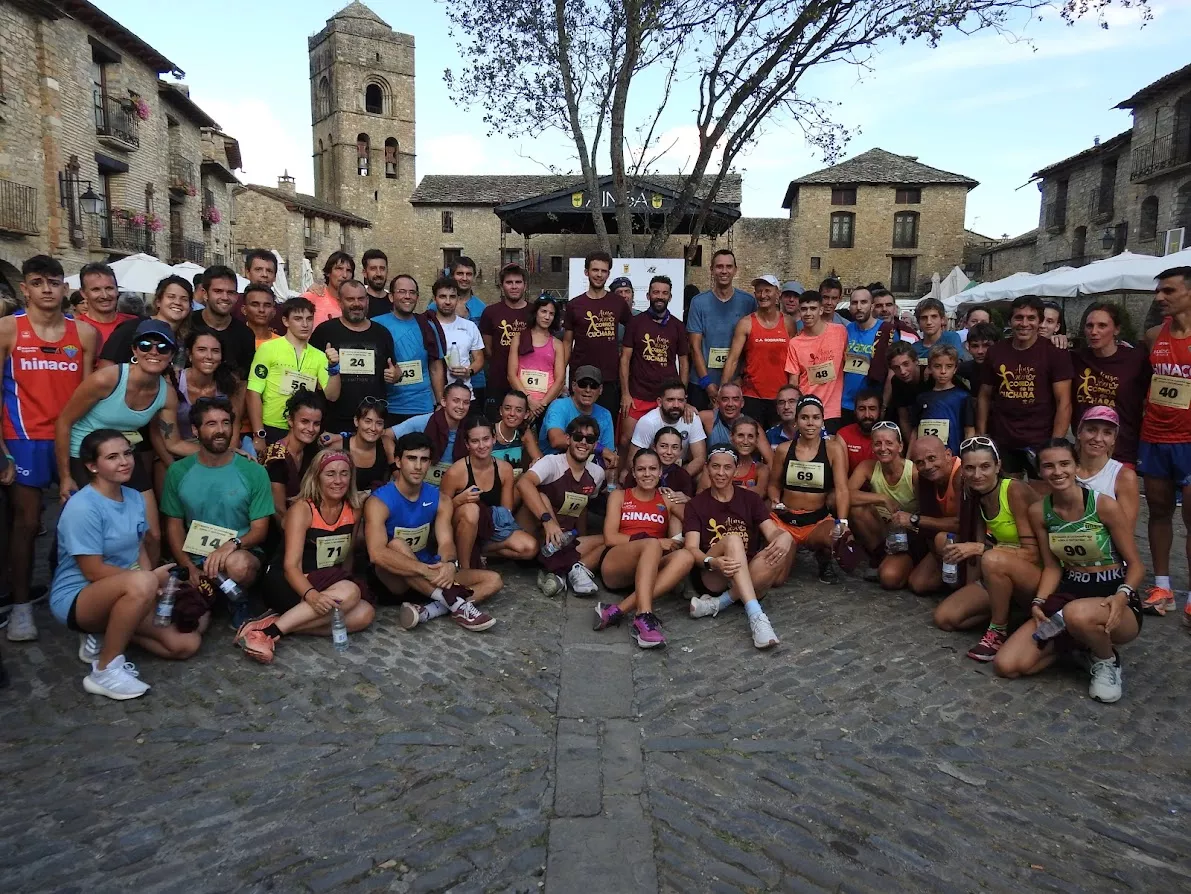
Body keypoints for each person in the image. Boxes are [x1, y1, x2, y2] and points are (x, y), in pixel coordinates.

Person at [993, 439, 1144, 704]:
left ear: (1076, 466)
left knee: (1077, 613)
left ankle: (1107, 660)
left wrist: (1123, 595)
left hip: (1114, 599)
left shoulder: (1103, 505)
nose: (1057, 471)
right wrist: (1038, 601)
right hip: (1069, 597)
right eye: (1048, 466)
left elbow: (1136, 565)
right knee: (1008, 665)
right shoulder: (1039, 512)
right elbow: (1052, 567)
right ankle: (1078, 647)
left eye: (1064, 464)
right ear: (1040, 471)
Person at [50, 431, 197, 699]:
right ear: (92, 466)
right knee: (145, 581)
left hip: (124, 587)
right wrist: (147, 580)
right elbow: (92, 570)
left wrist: (149, 582)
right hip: (78, 596)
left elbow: (138, 548)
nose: (124, 461)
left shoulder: (133, 497)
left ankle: (110, 630)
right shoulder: (82, 507)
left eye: (127, 453)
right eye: (112, 457)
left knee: (186, 644)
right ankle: (105, 671)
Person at [1, 256, 98, 641]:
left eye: (53, 282)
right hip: (23, 438)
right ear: (24, 288)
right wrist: (2, 450)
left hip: (72, 437)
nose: (46, 289)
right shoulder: (8, 329)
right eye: (38, 282)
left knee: (80, 518)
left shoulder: (84, 334)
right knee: (26, 522)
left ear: (64, 288)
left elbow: (89, 395)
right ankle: (21, 605)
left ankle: (80, 596)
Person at [58, 320, 197, 563]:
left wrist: (226, 452)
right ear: (134, 350)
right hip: (86, 456)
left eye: (163, 348)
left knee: (152, 533)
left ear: (171, 355)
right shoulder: (107, 379)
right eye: (145, 345)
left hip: (124, 455)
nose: (153, 352)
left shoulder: (166, 394)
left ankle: (150, 581)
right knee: (98, 533)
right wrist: (65, 476)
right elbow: (64, 423)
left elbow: (173, 443)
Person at [237, 449, 374, 662]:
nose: (338, 481)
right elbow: (291, 567)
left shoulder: (353, 509)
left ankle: (281, 622)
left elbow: (347, 555)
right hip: (288, 581)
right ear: (317, 477)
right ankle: (267, 634)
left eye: (344, 473)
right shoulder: (302, 509)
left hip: (327, 581)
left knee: (364, 614)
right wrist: (312, 595)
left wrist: (344, 580)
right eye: (330, 474)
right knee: (350, 592)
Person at [366, 432, 501, 631]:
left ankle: (429, 610)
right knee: (396, 545)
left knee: (493, 580)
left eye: (424, 460)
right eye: (411, 458)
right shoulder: (379, 501)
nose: (418, 466)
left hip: (433, 578)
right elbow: (377, 554)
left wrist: (448, 564)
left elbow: (446, 542)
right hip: (397, 579)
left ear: (430, 463)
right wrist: (423, 570)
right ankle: (457, 605)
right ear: (398, 461)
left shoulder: (439, 498)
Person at [161, 397, 271, 632]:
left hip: (239, 553)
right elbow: (174, 525)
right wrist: (188, 566)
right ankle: (212, 597)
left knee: (238, 565)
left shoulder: (254, 471)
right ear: (195, 430)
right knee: (186, 625)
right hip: (196, 558)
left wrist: (232, 544)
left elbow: (260, 530)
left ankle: (238, 600)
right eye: (211, 424)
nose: (220, 430)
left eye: (225, 423)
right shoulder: (178, 471)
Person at [933, 437, 1042, 662]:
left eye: (985, 467)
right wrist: (970, 588)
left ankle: (998, 630)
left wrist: (980, 548)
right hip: (1000, 571)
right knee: (945, 618)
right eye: (970, 468)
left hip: (1037, 576)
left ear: (998, 466)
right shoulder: (975, 493)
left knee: (991, 558)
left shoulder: (1013, 490)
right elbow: (979, 547)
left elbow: (1033, 553)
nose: (977, 474)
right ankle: (1012, 612)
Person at [685, 446, 792, 649]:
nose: (721, 473)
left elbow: (772, 532)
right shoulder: (695, 504)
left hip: (748, 571)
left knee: (780, 548)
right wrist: (713, 562)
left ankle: (720, 603)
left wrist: (785, 537)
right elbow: (691, 549)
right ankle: (756, 616)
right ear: (707, 468)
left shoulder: (750, 499)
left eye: (727, 467)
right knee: (733, 539)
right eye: (715, 466)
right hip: (714, 573)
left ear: (736, 470)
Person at [592, 448, 694, 648]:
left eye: (653, 469)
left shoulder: (667, 499)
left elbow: (696, 521)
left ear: (660, 472)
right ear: (633, 472)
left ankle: (618, 610)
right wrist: (654, 541)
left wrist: (689, 499)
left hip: (649, 567)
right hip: (617, 563)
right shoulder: (620, 496)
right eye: (641, 469)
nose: (647, 474)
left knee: (686, 557)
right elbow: (610, 538)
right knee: (652, 543)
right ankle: (643, 614)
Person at [1138, 267, 1191, 618]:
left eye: (1168, 291)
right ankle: (1162, 587)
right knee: (1158, 512)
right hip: (1155, 437)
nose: (1159, 297)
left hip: (1189, 440)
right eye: (1158, 291)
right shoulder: (1153, 335)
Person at [976, 295, 1073, 478]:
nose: (1024, 323)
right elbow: (984, 395)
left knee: (1041, 491)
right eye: (1019, 317)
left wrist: (1056, 443)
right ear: (1010, 321)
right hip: (1003, 438)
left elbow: (1064, 402)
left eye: (1031, 318)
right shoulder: (996, 352)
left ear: (1040, 321)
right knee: (1009, 490)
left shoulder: (1055, 353)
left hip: (1041, 439)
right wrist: (982, 434)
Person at [517, 415, 608, 597]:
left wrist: (582, 536)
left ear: (595, 445)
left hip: (565, 540)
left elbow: (582, 508)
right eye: (578, 437)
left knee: (609, 541)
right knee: (542, 496)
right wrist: (547, 521)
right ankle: (566, 569)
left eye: (589, 439)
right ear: (568, 439)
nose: (583, 443)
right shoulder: (551, 462)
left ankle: (568, 571)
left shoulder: (597, 473)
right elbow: (523, 483)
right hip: (537, 535)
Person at [767, 396, 851, 582]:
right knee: (777, 580)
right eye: (804, 417)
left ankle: (824, 559)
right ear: (796, 421)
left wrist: (843, 521)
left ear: (823, 421)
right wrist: (775, 500)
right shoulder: (783, 449)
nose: (810, 423)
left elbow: (842, 489)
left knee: (839, 538)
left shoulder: (833, 449)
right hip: (785, 521)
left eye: (816, 417)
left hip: (817, 521)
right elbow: (774, 484)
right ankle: (787, 552)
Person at [440, 416, 538, 569]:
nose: (481, 446)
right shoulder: (455, 473)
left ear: (494, 439)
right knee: (471, 510)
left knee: (530, 547)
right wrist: (459, 500)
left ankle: (477, 550)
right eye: (475, 441)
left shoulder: (505, 469)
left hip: (491, 528)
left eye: (486, 439)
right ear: (467, 444)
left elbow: (505, 512)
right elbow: (440, 513)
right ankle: (465, 568)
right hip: (459, 527)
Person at [247, 296, 341, 450]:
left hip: (304, 429)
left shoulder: (320, 356)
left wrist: (334, 367)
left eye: (309, 319)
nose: (305, 324)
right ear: (285, 321)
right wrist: (259, 434)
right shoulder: (268, 349)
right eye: (298, 319)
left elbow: (332, 396)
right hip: (272, 426)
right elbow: (253, 392)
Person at [311, 278, 397, 434]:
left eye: (361, 299)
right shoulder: (324, 331)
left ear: (367, 301)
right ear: (340, 302)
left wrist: (395, 375)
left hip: (372, 422)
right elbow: (311, 375)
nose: (356, 304)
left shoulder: (382, 333)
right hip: (333, 421)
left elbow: (394, 369)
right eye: (350, 299)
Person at [1071, 302, 1149, 467]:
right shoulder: (1075, 358)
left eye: (1102, 326)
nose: (1094, 332)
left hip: (1122, 448)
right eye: (1089, 326)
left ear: (1116, 329)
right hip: (1085, 449)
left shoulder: (1136, 359)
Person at [879, 435, 960, 592]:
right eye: (920, 462)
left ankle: (963, 583)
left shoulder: (960, 476)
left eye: (932, 458)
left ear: (948, 455)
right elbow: (928, 519)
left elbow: (961, 524)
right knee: (918, 584)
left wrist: (914, 519)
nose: (927, 466)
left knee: (942, 539)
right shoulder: (924, 478)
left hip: (969, 538)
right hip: (935, 538)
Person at [620, 276, 689, 450]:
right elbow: (625, 359)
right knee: (626, 440)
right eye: (656, 292)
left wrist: (682, 397)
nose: (660, 296)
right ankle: (622, 469)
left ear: (670, 297)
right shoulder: (635, 322)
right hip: (638, 395)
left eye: (664, 293)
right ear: (648, 295)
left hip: (667, 397)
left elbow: (684, 363)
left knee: (663, 443)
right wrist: (625, 394)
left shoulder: (678, 326)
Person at [686, 248, 756, 411]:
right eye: (719, 267)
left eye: (728, 266)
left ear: (735, 270)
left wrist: (740, 378)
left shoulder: (748, 302)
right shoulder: (698, 302)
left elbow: (752, 347)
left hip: (737, 383)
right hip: (701, 382)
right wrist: (707, 384)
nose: (724, 271)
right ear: (711, 270)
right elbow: (695, 347)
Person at [720, 274, 793, 430]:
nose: (763, 295)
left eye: (767, 291)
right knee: (751, 439)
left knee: (778, 440)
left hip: (780, 397)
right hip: (752, 395)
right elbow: (733, 359)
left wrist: (794, 392)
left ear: (777, 294)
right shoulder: (746, 323)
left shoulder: (788, 323)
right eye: (759, 291)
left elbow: (795, 360)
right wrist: (723, 390)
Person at [563, 251, 630, 416]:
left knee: (605, 424)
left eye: (603, 271)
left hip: (609, 379)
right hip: (580, 378)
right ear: (586, 272)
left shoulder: (618, 303)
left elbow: (633, 332)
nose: (599, 275)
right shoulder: (574, 305)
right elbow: (567, 343)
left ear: (608, 274)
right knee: (578, 426)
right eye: (595, 270)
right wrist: (560, 378)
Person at [371, 274, 445, 425]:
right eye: (402, 292)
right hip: (387, 407)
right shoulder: (375, 325)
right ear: (391, 297)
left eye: (412, 292)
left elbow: (436, 367)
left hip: (422, 406)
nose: (407, 296)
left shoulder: (427, 326)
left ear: (417, 297)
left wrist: (440, 403)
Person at [848, 421, 918, 577]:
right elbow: (845, 495)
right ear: (872, 447)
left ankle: (902, 564)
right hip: (884, 529)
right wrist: (882, 498)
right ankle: (880, 557)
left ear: (900, 446)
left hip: (910, 532)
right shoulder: (868, 466)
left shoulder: (913, 473)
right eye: (878, 443)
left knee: (889, 578)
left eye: (889, 443)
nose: (883, 448)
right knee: (856, 509)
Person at [388, 380, 473, 488]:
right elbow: (386, 436)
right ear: (443, 401)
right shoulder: (424, 421)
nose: (461, 406)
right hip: (414, 487)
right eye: (456, 401)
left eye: (466, 402)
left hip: (450, 488)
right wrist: (395, 469)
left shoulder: (470, 429)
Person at [259, 390, 326, 525]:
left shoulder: (312, 450)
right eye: (304, 421)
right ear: (290, 420)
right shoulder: (277, 458)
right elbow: (278, 510)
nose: (311, 429)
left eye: (316, 424)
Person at [785, 290, 848, 431]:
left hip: (832, 410)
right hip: (807, 410)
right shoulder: (795, 343)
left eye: (813, 308)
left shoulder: (840, 332)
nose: (808, 313)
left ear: (821, 310)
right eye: (804, 309)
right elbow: (793, 381)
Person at [100, 274, 193, 367]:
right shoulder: (132, 328)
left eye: (184, 299)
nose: (177, 302)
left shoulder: (185, 339)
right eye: (171, 297)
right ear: (158, 301)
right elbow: (106, 365)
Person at [627, 380, 707, 480]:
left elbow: (700, 458)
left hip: (681, 469)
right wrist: (655, 480)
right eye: (670, 400)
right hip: (651, 472)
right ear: (659, 402)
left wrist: (677, 479)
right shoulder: (647, 422)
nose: (676, 405)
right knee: (625, 475)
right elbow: (632, 460)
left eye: (680, 400)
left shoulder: (692, 418)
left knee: (702, 476)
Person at [1073, 407, 1139, 528]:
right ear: (1079, 433)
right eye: (1091, 430)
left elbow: (1126, 530)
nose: (1098, 438)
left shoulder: (1124, 476)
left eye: (1107, 433)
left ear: (1114, 439)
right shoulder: (1062, 469)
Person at [174, 329, 244, 442]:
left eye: (215, 351)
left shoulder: (229, 383)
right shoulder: (174, 382)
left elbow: (235, 427)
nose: (209, 356)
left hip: (221, 447)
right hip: (181, 447)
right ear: (189, 354)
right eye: (201, 350)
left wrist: (230, 451)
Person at [539, 366, 617, 467]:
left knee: (611, 469)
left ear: (600, 389)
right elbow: (556, 440)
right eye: (583, 384)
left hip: (588, 468)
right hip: (555, 465)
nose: (588, 390)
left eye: (593, 386)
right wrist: (599, 448)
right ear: (573, 386)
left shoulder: (605, 414)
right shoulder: (559, 406)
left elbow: (608, 454)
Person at [479, 264, 530, 416]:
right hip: (498, 381)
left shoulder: (534, 312)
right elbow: (487, 348)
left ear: (525, 285)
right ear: (502, 286)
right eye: (509, 282)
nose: (514, 286)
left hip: (527, 381)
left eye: (518, 282)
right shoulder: (490, 312)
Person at [191, 265, 257, 380]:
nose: (225, 297)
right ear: (205, 294)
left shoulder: (245, 335)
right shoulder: (188, 324)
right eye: (218, 291)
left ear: (236, 296)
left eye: (230, 292)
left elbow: (244, 380)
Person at [911, 344, 974, 456]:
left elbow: (969, 431)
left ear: (955, 369)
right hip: (925, 456)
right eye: (937, 366)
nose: (943, 371)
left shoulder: (963, 397)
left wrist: (967, 457)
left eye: (949, 366)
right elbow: (915, 430)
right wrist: (910, 458)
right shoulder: (922, 398)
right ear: (930, 368)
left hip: (953, 456)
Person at [442, 256, 489, 407]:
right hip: (445, 378)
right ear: (452, 275)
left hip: (476, 379)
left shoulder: (483, 308)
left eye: (468, 274)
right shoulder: (435, 307)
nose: (464, 278)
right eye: (460, 273)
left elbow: (484, 346)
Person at [509, 295, 565, 419]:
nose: (547, 317)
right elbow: (511, 374)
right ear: (535, 313)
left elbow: (560, 379)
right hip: (521, 401)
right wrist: (528, 400)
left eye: (551, 313)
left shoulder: (557, 344)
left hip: (547, 403)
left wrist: (541, 405)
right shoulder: (519, 339)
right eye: (543, 311)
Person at [840, 287, 881, 425]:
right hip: (847, 403)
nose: (858, 307)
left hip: (872, 405)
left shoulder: (885, 331)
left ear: (872, 306)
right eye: (854, 303)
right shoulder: (847, 330)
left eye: (863, 302)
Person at [625, 426, 697, 503]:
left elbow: (691, 504)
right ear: (654, 447)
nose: (669, 452)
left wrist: (687, 500)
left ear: (680, 451)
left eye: (675, 447)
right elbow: (626, 498)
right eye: (663, 446)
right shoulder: (640, 471)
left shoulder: (683, 476)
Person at [75, 262, 134, 351]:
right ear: (83, 293)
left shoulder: (134, 324)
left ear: (117, 289)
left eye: (109, 288)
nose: (104, 296)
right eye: (96, 290)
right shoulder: (74, 328)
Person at [704, 415, 768, 494]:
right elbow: (703, 492)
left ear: (756, 439)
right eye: (740, 435)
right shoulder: (714, 465)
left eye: (750, 436)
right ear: (731, 437)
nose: (745, 442)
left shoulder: (762, 469)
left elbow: (760, 493)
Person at [491, 389, 542, 479]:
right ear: (501, 410)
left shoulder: (524, 432)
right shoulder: (489, 432)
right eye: (507, 408)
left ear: (526, 414)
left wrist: (536, 463)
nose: (512, 413)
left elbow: (539, 460)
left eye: (518, 410)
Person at [886, 340, 928, 441]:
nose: (902, 371)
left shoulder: (930, 376)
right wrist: (913, 447)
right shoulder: (897, 381)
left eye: (906, 364)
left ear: (916, 361)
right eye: (896, 368)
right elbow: (904, 419)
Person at [835, 387, 880, 474]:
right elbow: (842, 476)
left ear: (880, 411)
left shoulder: (891, 435)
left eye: (872, 409)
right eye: (862, 409)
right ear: (855, 411)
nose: (867, 415)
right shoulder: (844, 435)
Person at [303, 251, 354, 325]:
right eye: (339, 269)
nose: (345, 275)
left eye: (348, 270)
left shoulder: (356, 302)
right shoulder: (311, 297)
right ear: (328, 272)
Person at [912, 297, 964, 366]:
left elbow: (957, 364)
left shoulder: (952, 338)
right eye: (924, 318)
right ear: (918, 322)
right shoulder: (914, 348)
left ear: (942, 319)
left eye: (934, 317)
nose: (929, 322)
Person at [699, 381, 747, 453]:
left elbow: (766, 455)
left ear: (742, 403)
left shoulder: (751, 425)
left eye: (735, 399)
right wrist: (687, 407)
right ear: (718, 403)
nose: (730, 404)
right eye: (725, 399)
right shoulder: (708, 418)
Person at [957, 321, 999, 392]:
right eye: (975, 346)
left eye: (986, 345)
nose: (980, 351)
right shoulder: (961, 371)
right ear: (968, 347)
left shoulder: (1008, 370)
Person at [242, 283, 280, 348]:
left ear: (273, 312)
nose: (261, 310)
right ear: (244, 310)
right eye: (255, 305)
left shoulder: (283, 344)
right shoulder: (232, 340)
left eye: (267, 305)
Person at [361, 248, 392, 319]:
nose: (379, 273)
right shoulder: (360, 302)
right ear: (364, 273)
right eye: (373, 269)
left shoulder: (395, 302)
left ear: (387, 271)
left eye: (382, 268)